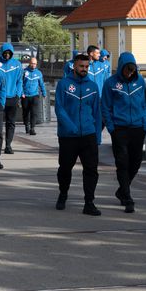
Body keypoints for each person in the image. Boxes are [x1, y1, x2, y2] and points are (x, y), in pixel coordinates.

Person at [55, 53, 102, 215]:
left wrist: (97, 135)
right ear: (74, 66)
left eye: (87, 66)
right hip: (68, 136)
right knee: (65, 168)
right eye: (81, 66)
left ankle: (89, 202)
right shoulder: (64, 84)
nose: (84, 69)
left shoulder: (93, 86)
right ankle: (63, 194)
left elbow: (97, 112)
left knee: (91, 170)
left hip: (88, 135)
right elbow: (59, 109)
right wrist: (71, 127)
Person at [102, 51, 146, 213]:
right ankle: (127, 197)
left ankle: (122, 189)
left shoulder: (140, 81)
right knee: (122, 162)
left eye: (132, 70)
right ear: (121, 67)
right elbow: (105, 107)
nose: (130, 72)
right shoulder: (111, 83)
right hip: (119, 129)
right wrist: (111, 128)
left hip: (137, 128)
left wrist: (144, 125)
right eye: (127, 69)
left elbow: (144, 104)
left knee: (136, 162)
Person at [0, 43, 23, 153]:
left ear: (12, 53)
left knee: (11, 123)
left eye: (9, 53)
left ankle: (8, 145)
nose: (7, 55)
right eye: (5, 53)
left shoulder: (17, 65)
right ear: (1, 52)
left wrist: (18, 95)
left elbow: (19, 81)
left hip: (12, 98)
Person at [21, 55, 46, 135]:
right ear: (29, 63)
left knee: (34, 112)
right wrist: (21, 93)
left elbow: (41, 84)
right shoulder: (24, 72)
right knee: (25, 112)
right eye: (32, 63)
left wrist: (44, 93)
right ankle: (26, 125)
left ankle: (32, 128)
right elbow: (20, 83)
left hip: (35, 95)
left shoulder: (39, 73)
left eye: (35, 64)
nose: (33, 65)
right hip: (25, 96)